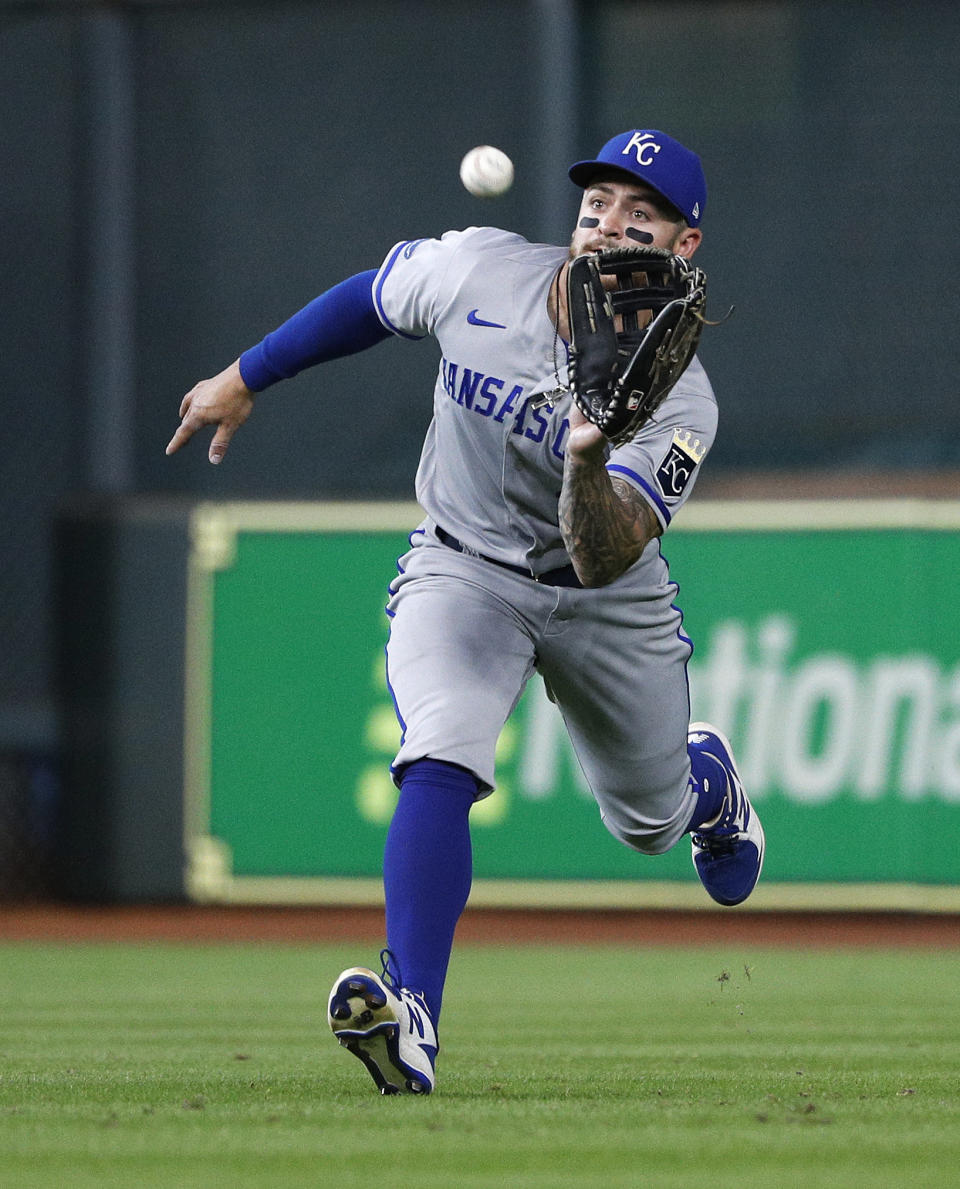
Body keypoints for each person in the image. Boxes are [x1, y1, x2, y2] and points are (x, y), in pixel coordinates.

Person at [166, 128, 765, 1097]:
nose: (609, 225)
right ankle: (414, 1021)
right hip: (465, 569)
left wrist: (584, 457)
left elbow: (605, 548)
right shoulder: (479, 269)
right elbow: (368, 298)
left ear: (682, 247)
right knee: (439, 751)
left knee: (649, 821)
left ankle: (709, 787)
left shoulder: (682, 401)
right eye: (598, 205)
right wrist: (246, 375)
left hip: (605, 598)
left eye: (640, 214)